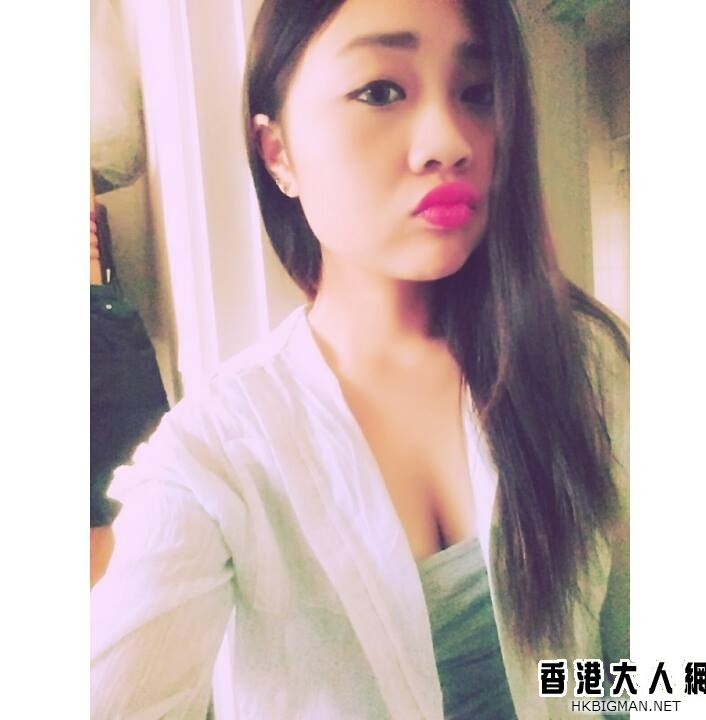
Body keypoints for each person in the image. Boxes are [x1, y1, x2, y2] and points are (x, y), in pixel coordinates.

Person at [91, 0, 629, 718]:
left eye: (477, 93)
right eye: (380, 90)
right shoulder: (217, 452)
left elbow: (624, 662)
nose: (450, 142)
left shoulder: (581, 361)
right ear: (277, 152)